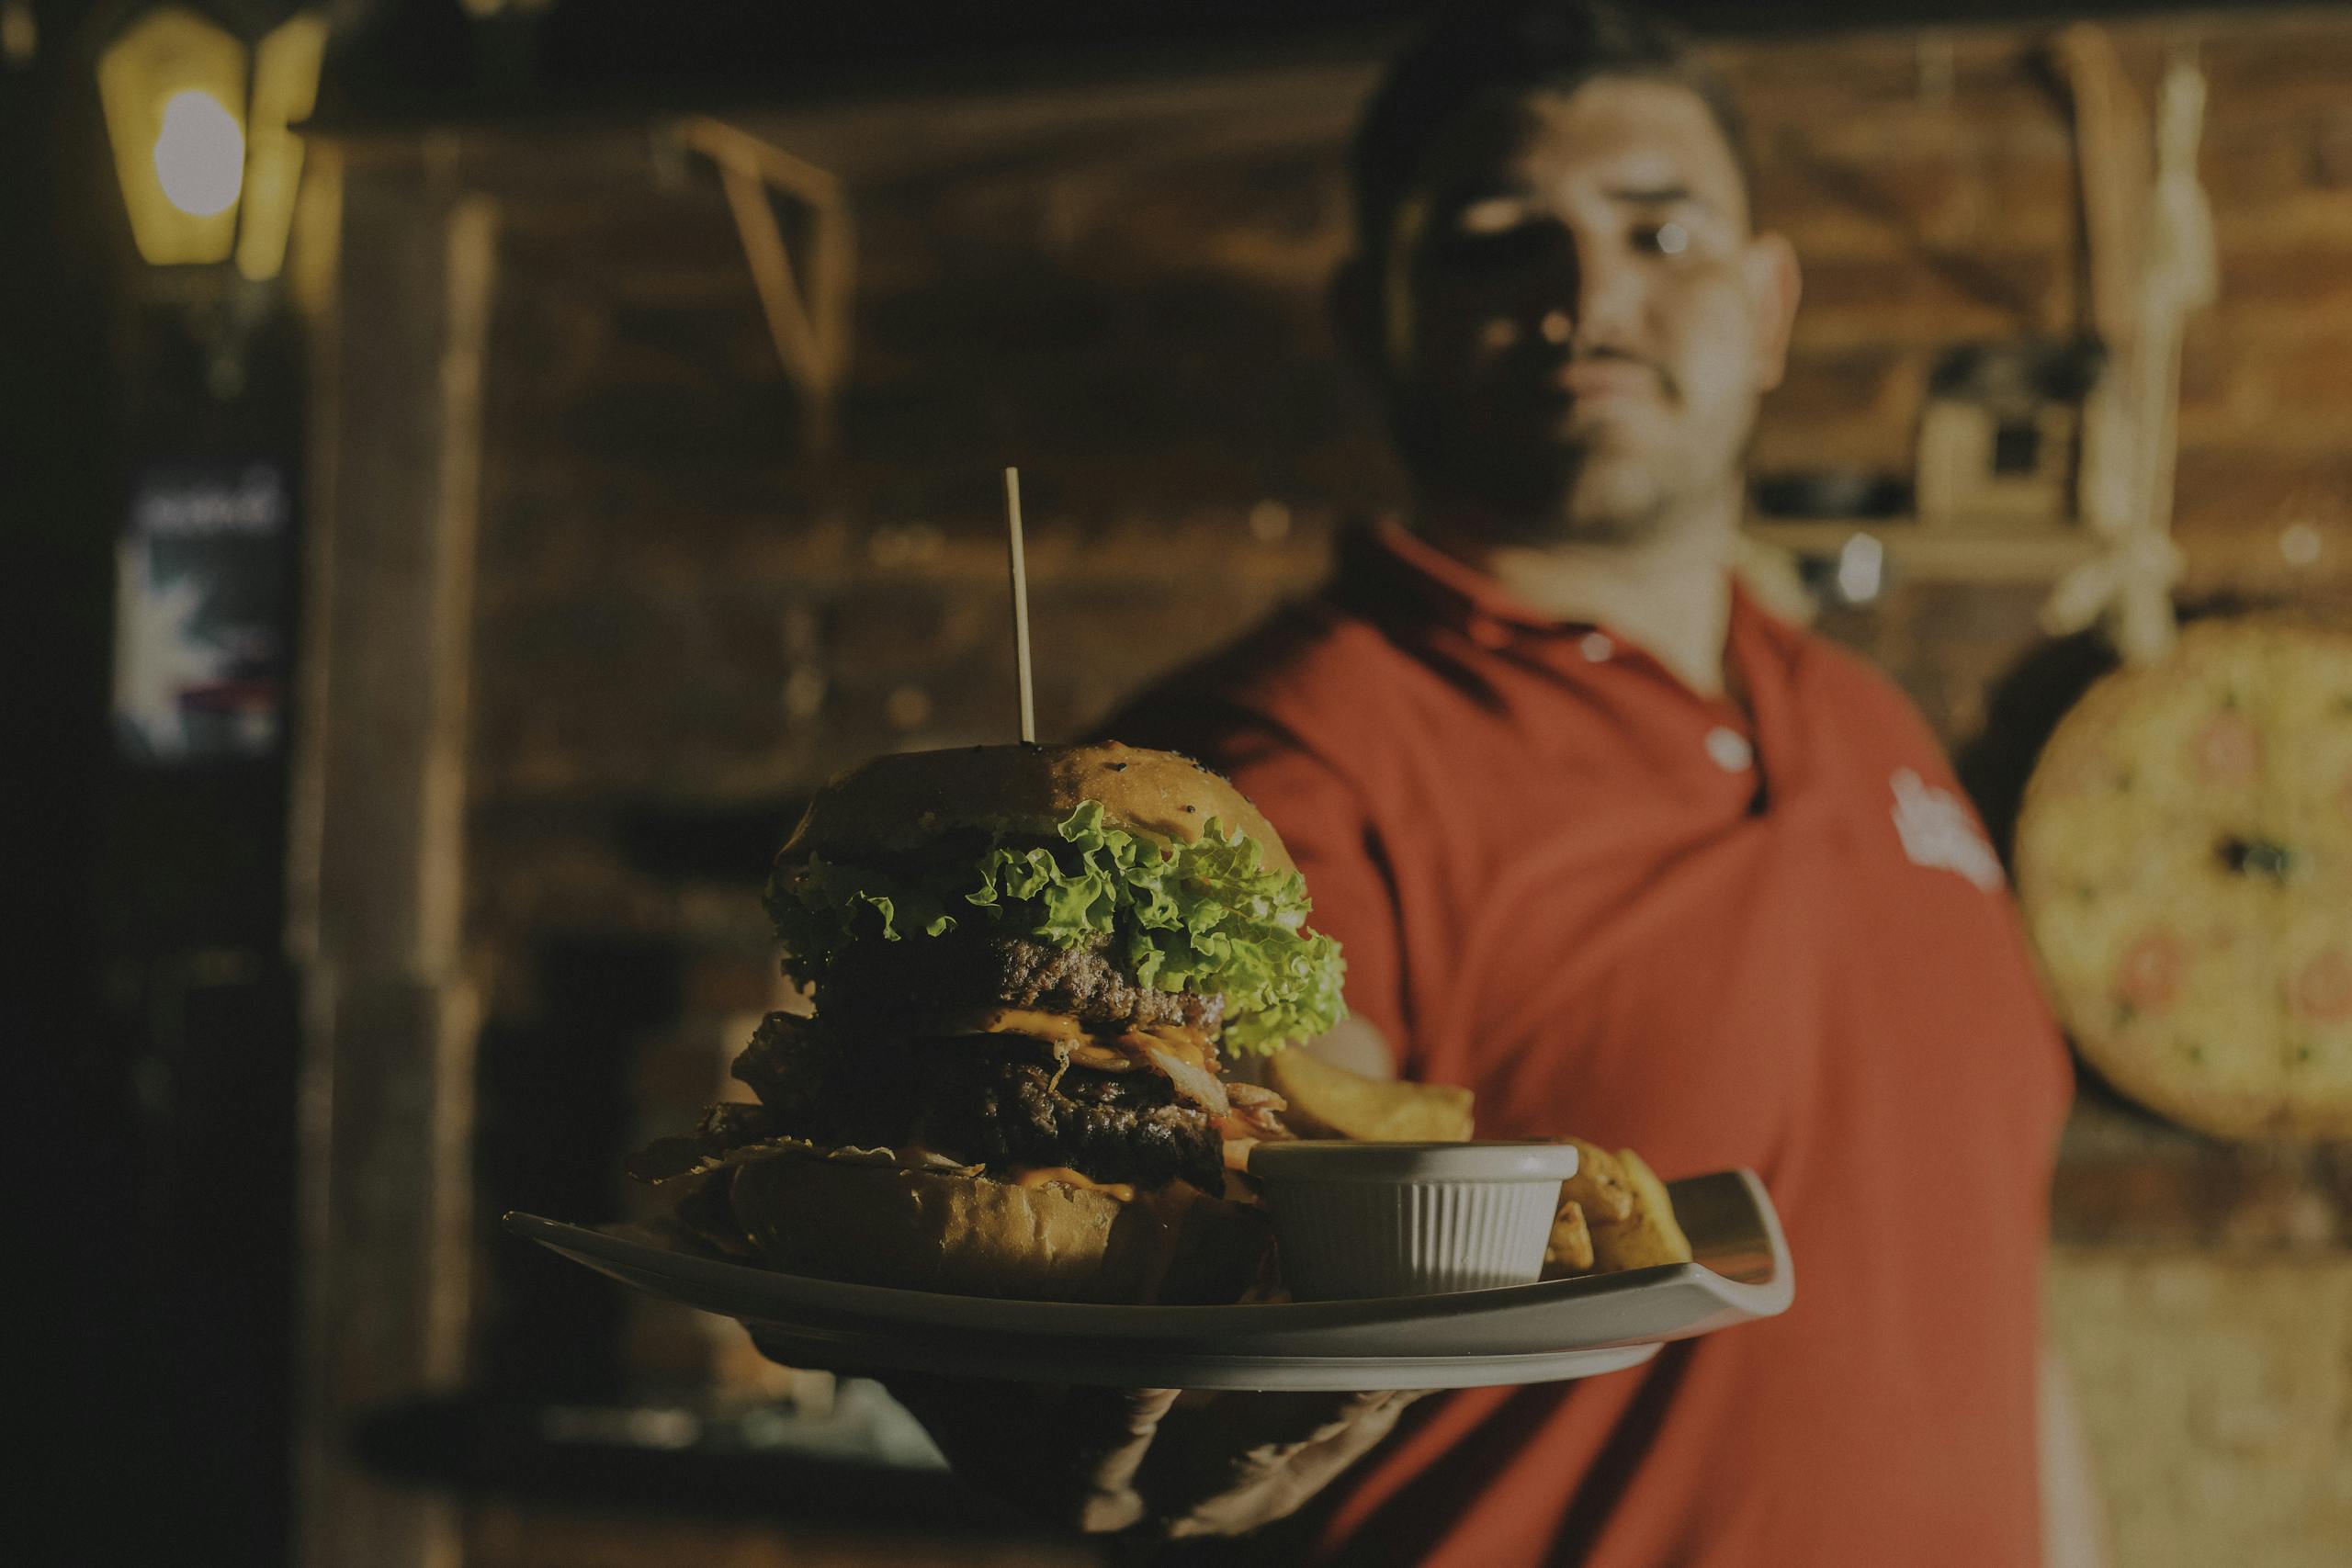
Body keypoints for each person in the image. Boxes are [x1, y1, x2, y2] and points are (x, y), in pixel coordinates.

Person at [775, 5, 2109, 1562]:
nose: (1591, 293)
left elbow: (1996, 1302)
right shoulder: (1284, 755)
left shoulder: (1877, 728)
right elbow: (1199, 1257)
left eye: (1661, 231)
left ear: (1767, 305)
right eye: (1496, 240)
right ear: (1374, 315)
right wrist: (1136, 1423)